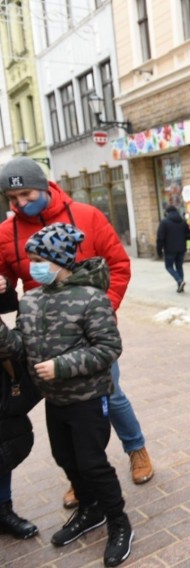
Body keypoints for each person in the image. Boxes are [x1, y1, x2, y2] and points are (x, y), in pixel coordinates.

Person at [0, 157, 153, 515]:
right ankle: (80, 476)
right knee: (63, 408)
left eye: (26, 194)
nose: (21, 203)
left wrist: (102, 307)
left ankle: (136, 448)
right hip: (39, 332)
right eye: (12, 197)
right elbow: (7, 294)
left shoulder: (87, 215)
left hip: (87, 327)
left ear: (44, 185)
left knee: (110, 395)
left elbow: (118, 265)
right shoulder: (7, 234)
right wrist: (3, 288)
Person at [0, 223, 133, 566]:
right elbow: (17, 347)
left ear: (59, 260)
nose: (32, 267)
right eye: (30, 260)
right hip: (55, 400)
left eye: (37, 260)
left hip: (88, 397)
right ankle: (91, 511)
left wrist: (61, 366)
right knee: (65, 458)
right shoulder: (29, 302)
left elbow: (108, 348)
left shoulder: (91, 298)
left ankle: (119, 522)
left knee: (92, 462)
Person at [156, 205, 190, 293]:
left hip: (169, 249)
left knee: (169, 266)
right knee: (179, 266)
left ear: (167, 212)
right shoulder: (183, 221)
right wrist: (189, 247)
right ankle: (180, 285)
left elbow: (160, 237)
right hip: (182, 248)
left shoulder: (164, 222)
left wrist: (159, 250)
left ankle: (179, 280)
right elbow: (188, 235)